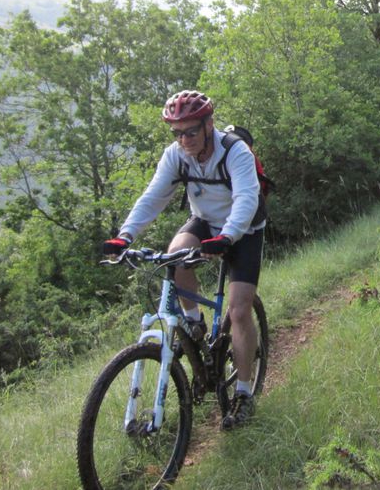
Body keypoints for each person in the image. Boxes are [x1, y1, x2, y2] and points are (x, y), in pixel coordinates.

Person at [102, 90, 265, 429]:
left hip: (245, 228)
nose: (184, 139)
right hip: (205, 221)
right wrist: (125, 236)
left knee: (238, 310)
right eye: (177, 133)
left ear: (209, 124)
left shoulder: (235, 151)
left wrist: (227, 238)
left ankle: (245, 392)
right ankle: (195, 323)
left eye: (190, 131)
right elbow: (153, 196)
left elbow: (247, 199)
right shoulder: (176, 156)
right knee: (175, 256)